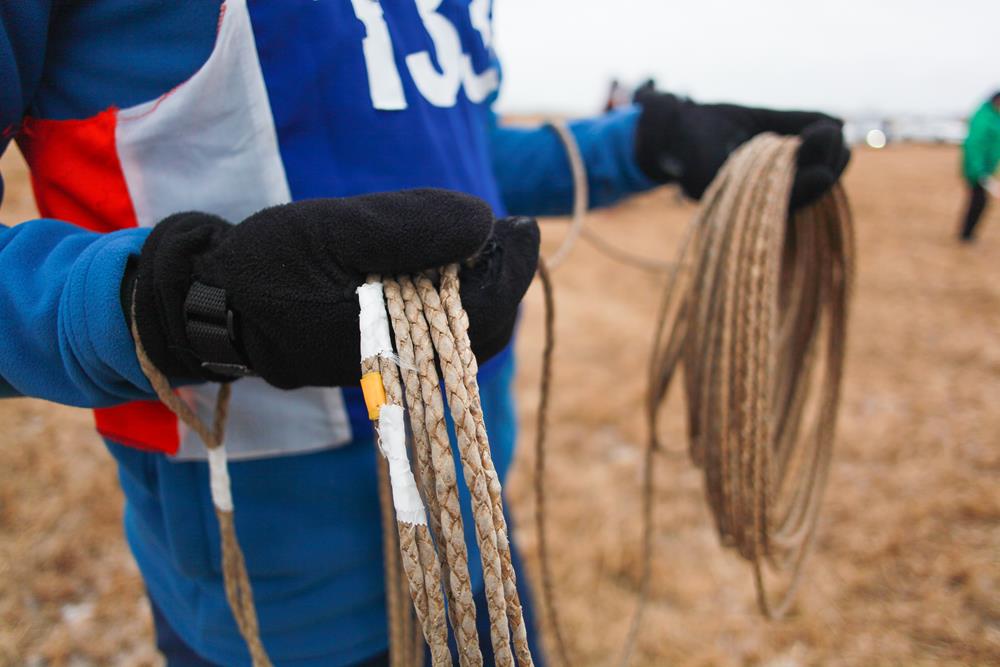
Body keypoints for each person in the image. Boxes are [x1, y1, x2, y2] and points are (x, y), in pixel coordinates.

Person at [0, 2, 849, 665]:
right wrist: (180, 301)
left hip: (472, 518)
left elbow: (463, 160)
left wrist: (652, 144)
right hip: (268, 598)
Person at [959, 91, 1000, 242]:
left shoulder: (994, 116)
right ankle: (966, 235)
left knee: (979, 201)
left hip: (986, 169)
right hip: (977, 170)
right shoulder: (984, 116)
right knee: (979, 201)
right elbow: (975, 145)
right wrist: (980, 172)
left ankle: (967, 234)